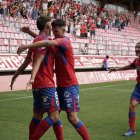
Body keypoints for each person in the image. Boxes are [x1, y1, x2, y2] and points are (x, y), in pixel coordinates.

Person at [17, 19, 90, 140]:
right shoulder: (56, 42)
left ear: (63, 30)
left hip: (70, 85)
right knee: (54, 116)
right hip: (60, 86)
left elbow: (46, 43)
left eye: (56, 31)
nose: (54, 33)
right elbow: (44, 41)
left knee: (72, 118)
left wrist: (27, 46)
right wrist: (30, 32)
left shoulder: (65, 41)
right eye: (53, 31)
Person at [11, 17, 64, 140]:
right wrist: (31, 77)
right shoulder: (44, 41)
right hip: (46, 83)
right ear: (47, 26)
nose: (52, 27)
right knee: (55, 115)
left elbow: (26, 62)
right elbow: (40, 54)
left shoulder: (36, 41)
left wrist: (15, 75)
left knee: (38, 116)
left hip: (37, 86)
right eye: (50, 25)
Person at [109, 42, 140, 137]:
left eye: (139, 47)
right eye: (136, 47)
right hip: (138, 88)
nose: (137, 49)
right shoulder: (137, 61)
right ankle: (132, 130)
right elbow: (129, 66)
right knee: (132, 106)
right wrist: (117, 69)